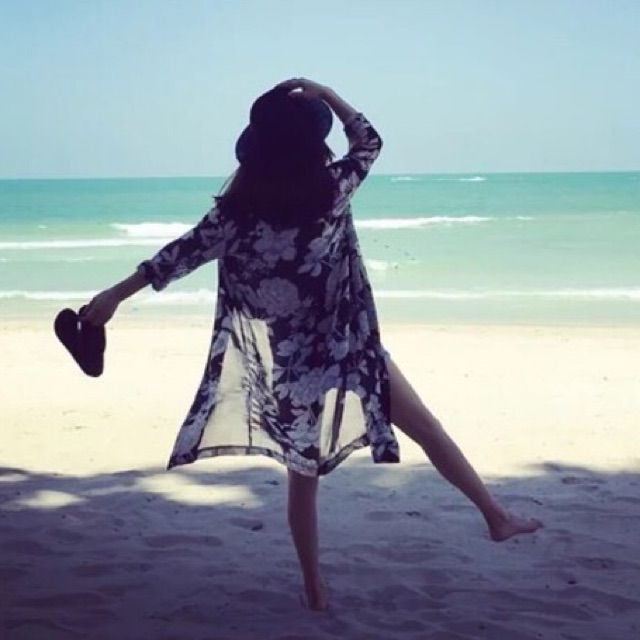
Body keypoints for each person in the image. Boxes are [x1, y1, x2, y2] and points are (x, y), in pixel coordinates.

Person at [80, 78, 542, 611]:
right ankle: (496, 518)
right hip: (349, 351)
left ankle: (315, 588)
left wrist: (112, 297)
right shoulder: (333, 191)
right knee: (427, 430)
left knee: (304, 479)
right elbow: (369, 141)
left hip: (292, 366)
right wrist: (328, 93)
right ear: (312, 146)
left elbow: (171, 260)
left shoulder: (235, 215)